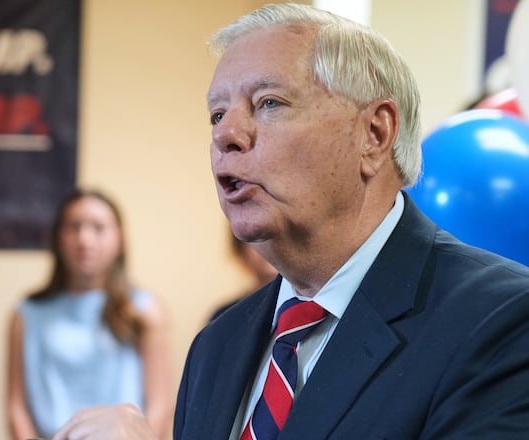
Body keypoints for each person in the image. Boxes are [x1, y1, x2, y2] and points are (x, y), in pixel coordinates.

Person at [50, 3, 529, 440]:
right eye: (217, 114)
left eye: (268, 103)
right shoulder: (215, 346)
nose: (227, 136)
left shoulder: (501, 319)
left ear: (374, 133)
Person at [5, 189, 172, 439]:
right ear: (58, 239)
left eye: (98, 228)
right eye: (74, 227)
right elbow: (16, 406)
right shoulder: (27, 314)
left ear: (120, 240)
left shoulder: (145, 311)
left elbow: (160, 406)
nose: (84, 239)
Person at [209, 231, 278, 321]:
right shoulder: (224, 316)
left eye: (275, 238)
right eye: (256, 239)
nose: (268, 248)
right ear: (240, 249)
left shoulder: (298, 306)